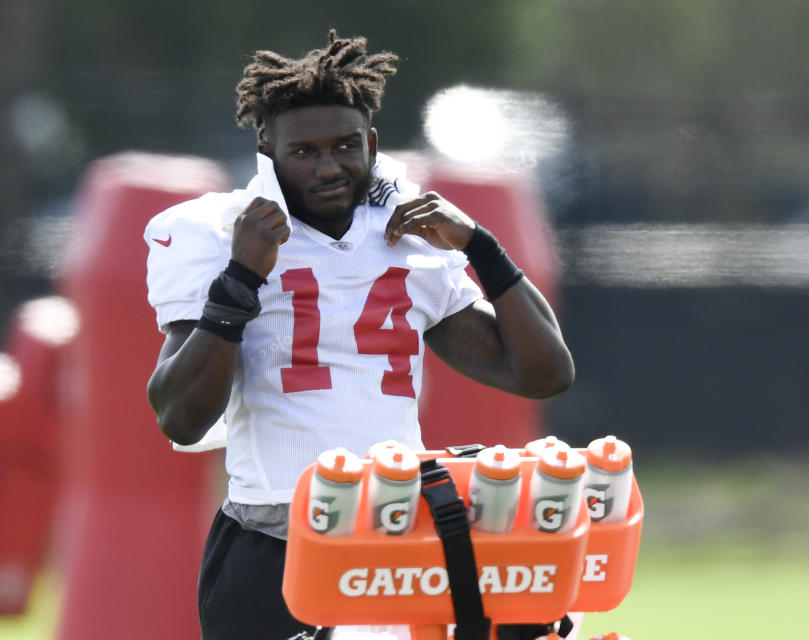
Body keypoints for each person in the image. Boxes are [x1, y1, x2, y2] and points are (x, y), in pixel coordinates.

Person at [144, 30, 574, 640]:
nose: (328, 167)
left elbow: (544, 372)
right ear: (266, 150)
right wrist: (240, 278)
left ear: (371, 143)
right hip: (272, 538)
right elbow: (180, 415)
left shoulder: (405, 236)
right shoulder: (219, 234)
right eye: (305, 152)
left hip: (395, 535)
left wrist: (482, 246)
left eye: (346, 146)